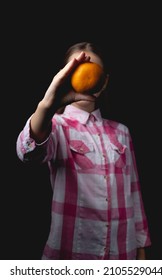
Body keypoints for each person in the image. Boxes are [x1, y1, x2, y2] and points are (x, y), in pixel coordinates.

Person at [16, 41, 151, 260]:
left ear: (104, 81)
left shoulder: (122, 132)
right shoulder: (57, 126)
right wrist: (46, 106)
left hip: (122, 256)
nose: (86, 73)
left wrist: (141, 249)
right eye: (76, 69)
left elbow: (134, 194)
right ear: (65, 76)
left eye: (93, 68)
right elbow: (27, 151)